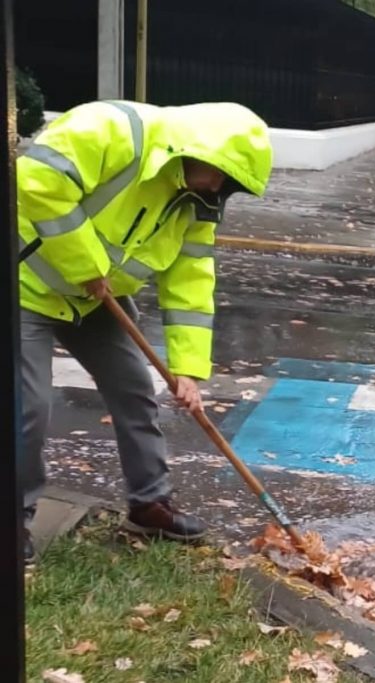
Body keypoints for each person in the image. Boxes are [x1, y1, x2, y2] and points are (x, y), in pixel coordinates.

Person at [17, 100, 273, 563]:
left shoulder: (196, 203)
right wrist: (84, 264)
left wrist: (188, 369)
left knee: (136, 389)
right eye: (221, 175)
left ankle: (149, 504)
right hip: (25, 284)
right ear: (201, 152)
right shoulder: (112, 130)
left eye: (229, 186)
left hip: (96, 299)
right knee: (26, 407)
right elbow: (37, 179)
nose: (219, 188)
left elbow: (190, 283)